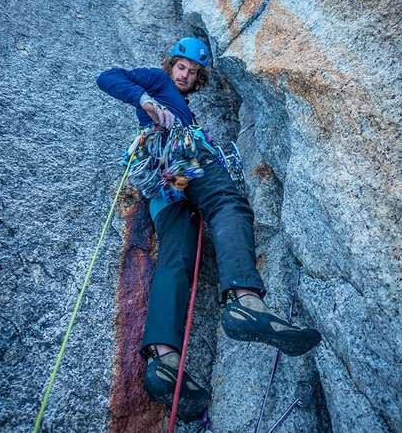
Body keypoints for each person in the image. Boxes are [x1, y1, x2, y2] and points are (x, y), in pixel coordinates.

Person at [96, 37, 321, 422]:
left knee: (175, 258)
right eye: (181, 67)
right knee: (227, 203)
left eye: (193, 72)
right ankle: (245, 302)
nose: (184, 75)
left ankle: (163, 360)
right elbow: (108, 77)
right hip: (185, 158)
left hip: (163, 188)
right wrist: (147, 101)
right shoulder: (156, 81)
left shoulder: (178, 97)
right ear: (171, 66)